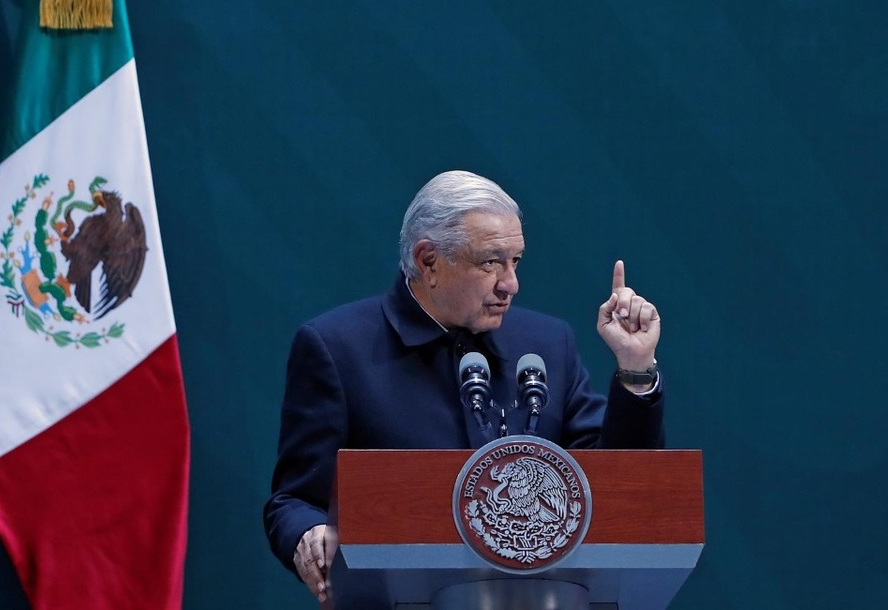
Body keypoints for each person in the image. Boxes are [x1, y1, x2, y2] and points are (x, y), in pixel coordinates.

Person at [263, 171, 664, 604]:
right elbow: (293, 499)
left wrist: (635, 368)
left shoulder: (547, 345)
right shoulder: (337, 348)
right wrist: (308, 533)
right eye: (490, 262)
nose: (511, 284)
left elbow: (623, 486)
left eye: (516, 261)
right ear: (429, 261)